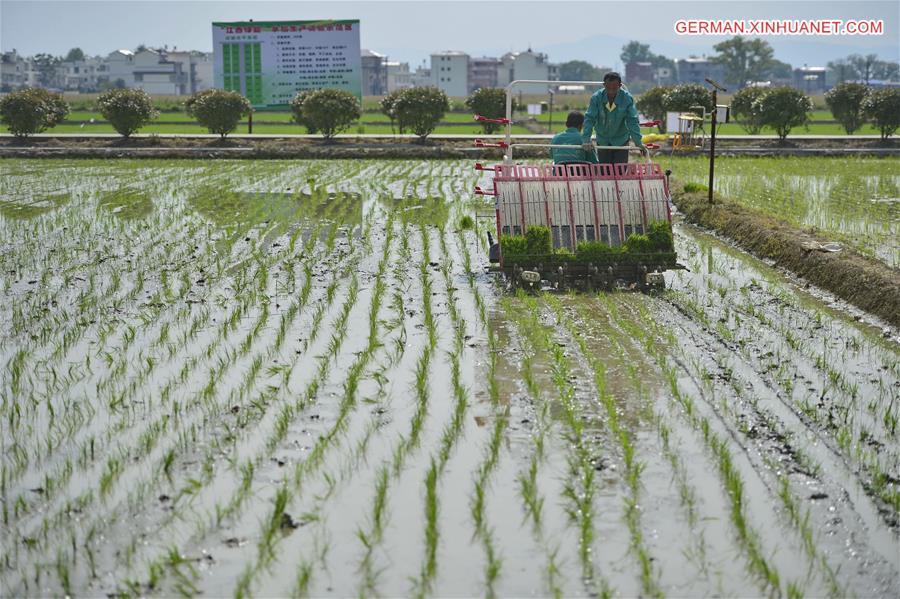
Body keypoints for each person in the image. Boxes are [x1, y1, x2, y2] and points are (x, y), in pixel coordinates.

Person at [581, 72, 647, 164]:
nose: (611, 91)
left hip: (621, 140)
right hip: (602, 139)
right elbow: (589, 119)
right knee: (604, 170)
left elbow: (632, 121)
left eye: (614, 88)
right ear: (604, 85)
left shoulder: (627, 98)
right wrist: (586, 140)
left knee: (620, 170)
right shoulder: (596, 98)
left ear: (620, 86)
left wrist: (638, 142)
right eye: (608, 88)